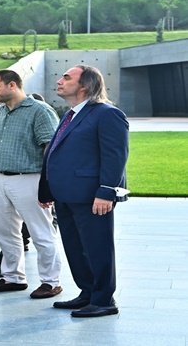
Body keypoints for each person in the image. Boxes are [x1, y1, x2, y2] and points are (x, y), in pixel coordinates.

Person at [39, 65, 129, 317]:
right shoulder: (70, 115)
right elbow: (55, 153)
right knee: (75, 248)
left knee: (97, 247)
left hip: (92, 197)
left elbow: (115, 156)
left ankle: (103, 300)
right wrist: (47, 191)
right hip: (65, 196)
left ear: (85, 86)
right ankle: (87, 292)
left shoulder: (107, 114)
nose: (59, 81)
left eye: (67, 77)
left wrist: (107, 191)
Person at [0, 69, 63, 299]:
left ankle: (51, 281)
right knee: (3, 230)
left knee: (40, 232)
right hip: (0, 179)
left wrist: (48, 184)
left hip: (30, 178)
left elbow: (51, 149)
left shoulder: (39, 111)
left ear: (13, 85)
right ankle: (13, 277)